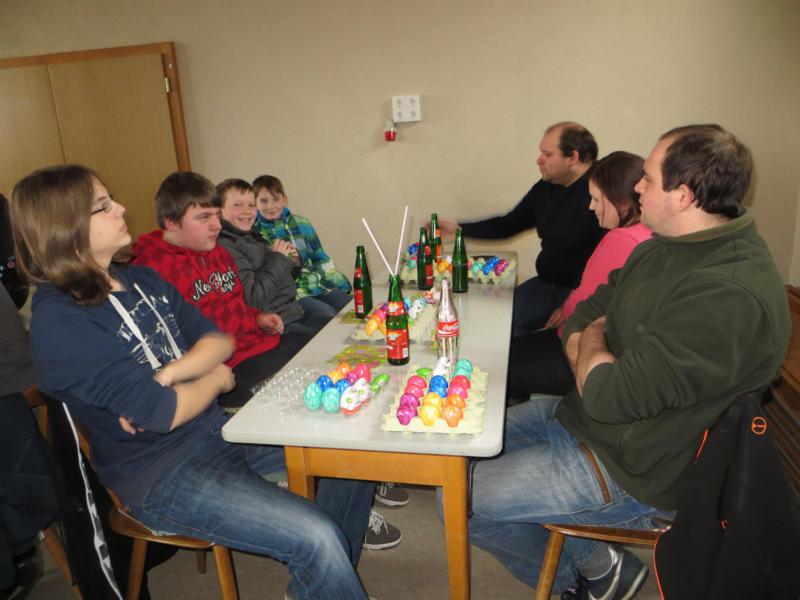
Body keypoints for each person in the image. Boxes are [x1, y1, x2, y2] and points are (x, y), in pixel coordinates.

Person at [11, 164, 376, 599]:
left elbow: (218, 340)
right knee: (316, 536)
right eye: (103, 206)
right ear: (65, 227)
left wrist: (170, 373)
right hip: (160, 474)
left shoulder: (140, 279)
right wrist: (216, 379)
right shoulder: (61, 322)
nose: (121, 208)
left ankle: (325, 585)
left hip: (216, 431)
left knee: (354, 453)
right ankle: (327, 574)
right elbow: (165, 412)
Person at [462, 125, 791, 598]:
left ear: (683, 196)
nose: (636, 186)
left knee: (460, 500)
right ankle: (601, 564)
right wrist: (593, 351)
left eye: (649, 179)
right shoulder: (664, 245)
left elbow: (610, 395)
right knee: (459, 453)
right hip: (583, 418)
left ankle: (583, 578)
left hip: (636, 468)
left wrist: (591, 348)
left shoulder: (728, 294)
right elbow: (585, 314)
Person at [131, 171, 313, 410]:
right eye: (204, 217)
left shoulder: (217, 250)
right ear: (171, 222)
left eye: (217, 215)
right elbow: (166, 344)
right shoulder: (153, 270)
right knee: (306, 377)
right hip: (227, 370)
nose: (217, 226)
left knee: (318, 349)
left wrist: (257, 317)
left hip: (258, 344)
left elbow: (233, 301)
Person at [507, 151, 651, 402]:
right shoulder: (648, 233)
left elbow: (584, 303)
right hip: (610, 346)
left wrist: (564, 311)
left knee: (504, 362)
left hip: (582, 348)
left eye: (596, 199)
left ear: (621, 202)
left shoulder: (621, 239)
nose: (591, 207)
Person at [439, 122, 605, 336]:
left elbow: (608, 262)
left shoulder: (601, 191)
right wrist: (458, 229)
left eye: (547, 154)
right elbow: (509, 224)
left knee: (507, 330)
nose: (539, 160)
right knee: (493, 317)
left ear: (572, 157)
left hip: (581, 292)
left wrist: (576, 300)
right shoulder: (547, 186)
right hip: (546, 284)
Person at [216, 178, 330, 339]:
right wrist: (278, 258)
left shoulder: (252, 237)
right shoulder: (226, 246)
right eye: (238, 205)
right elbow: (253, 301)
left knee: (336, 324)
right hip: (275, 325)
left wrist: (292, 261)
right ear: (219, 210)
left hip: (293, 311)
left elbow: (284, 278)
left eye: (251, 205)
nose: (247, 211)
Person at [252, 175, 352, 316]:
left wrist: (333, 280)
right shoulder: (255, 234)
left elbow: (320, 258)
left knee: (351, 306)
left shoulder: (302, 224)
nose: (270, 206)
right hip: (291, 292)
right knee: (328, 314)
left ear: (284, 200)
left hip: (316, 283)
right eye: (263, 201)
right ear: (254, 204)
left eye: (275, 199)